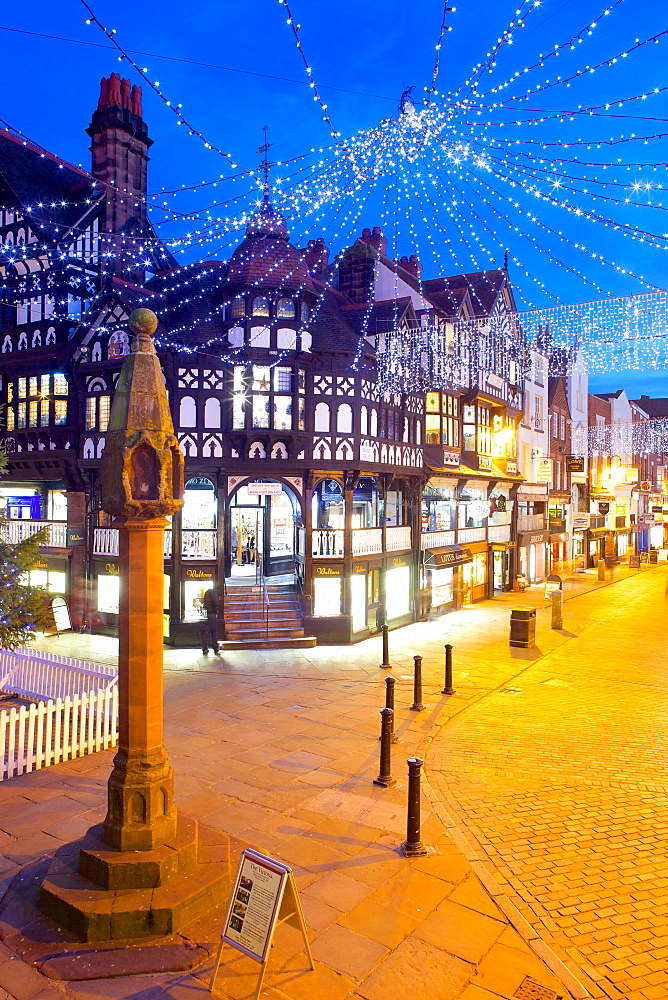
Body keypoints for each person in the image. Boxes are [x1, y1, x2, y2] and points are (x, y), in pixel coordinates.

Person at [200, 585, 220, 655]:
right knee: (213, 631)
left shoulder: (206, 593)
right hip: (212, 615)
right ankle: (215, 647)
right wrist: (216, 610)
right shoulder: (213, 593)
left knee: (204, 632)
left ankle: (205, 648)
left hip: (205, 615)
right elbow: (216, 603)